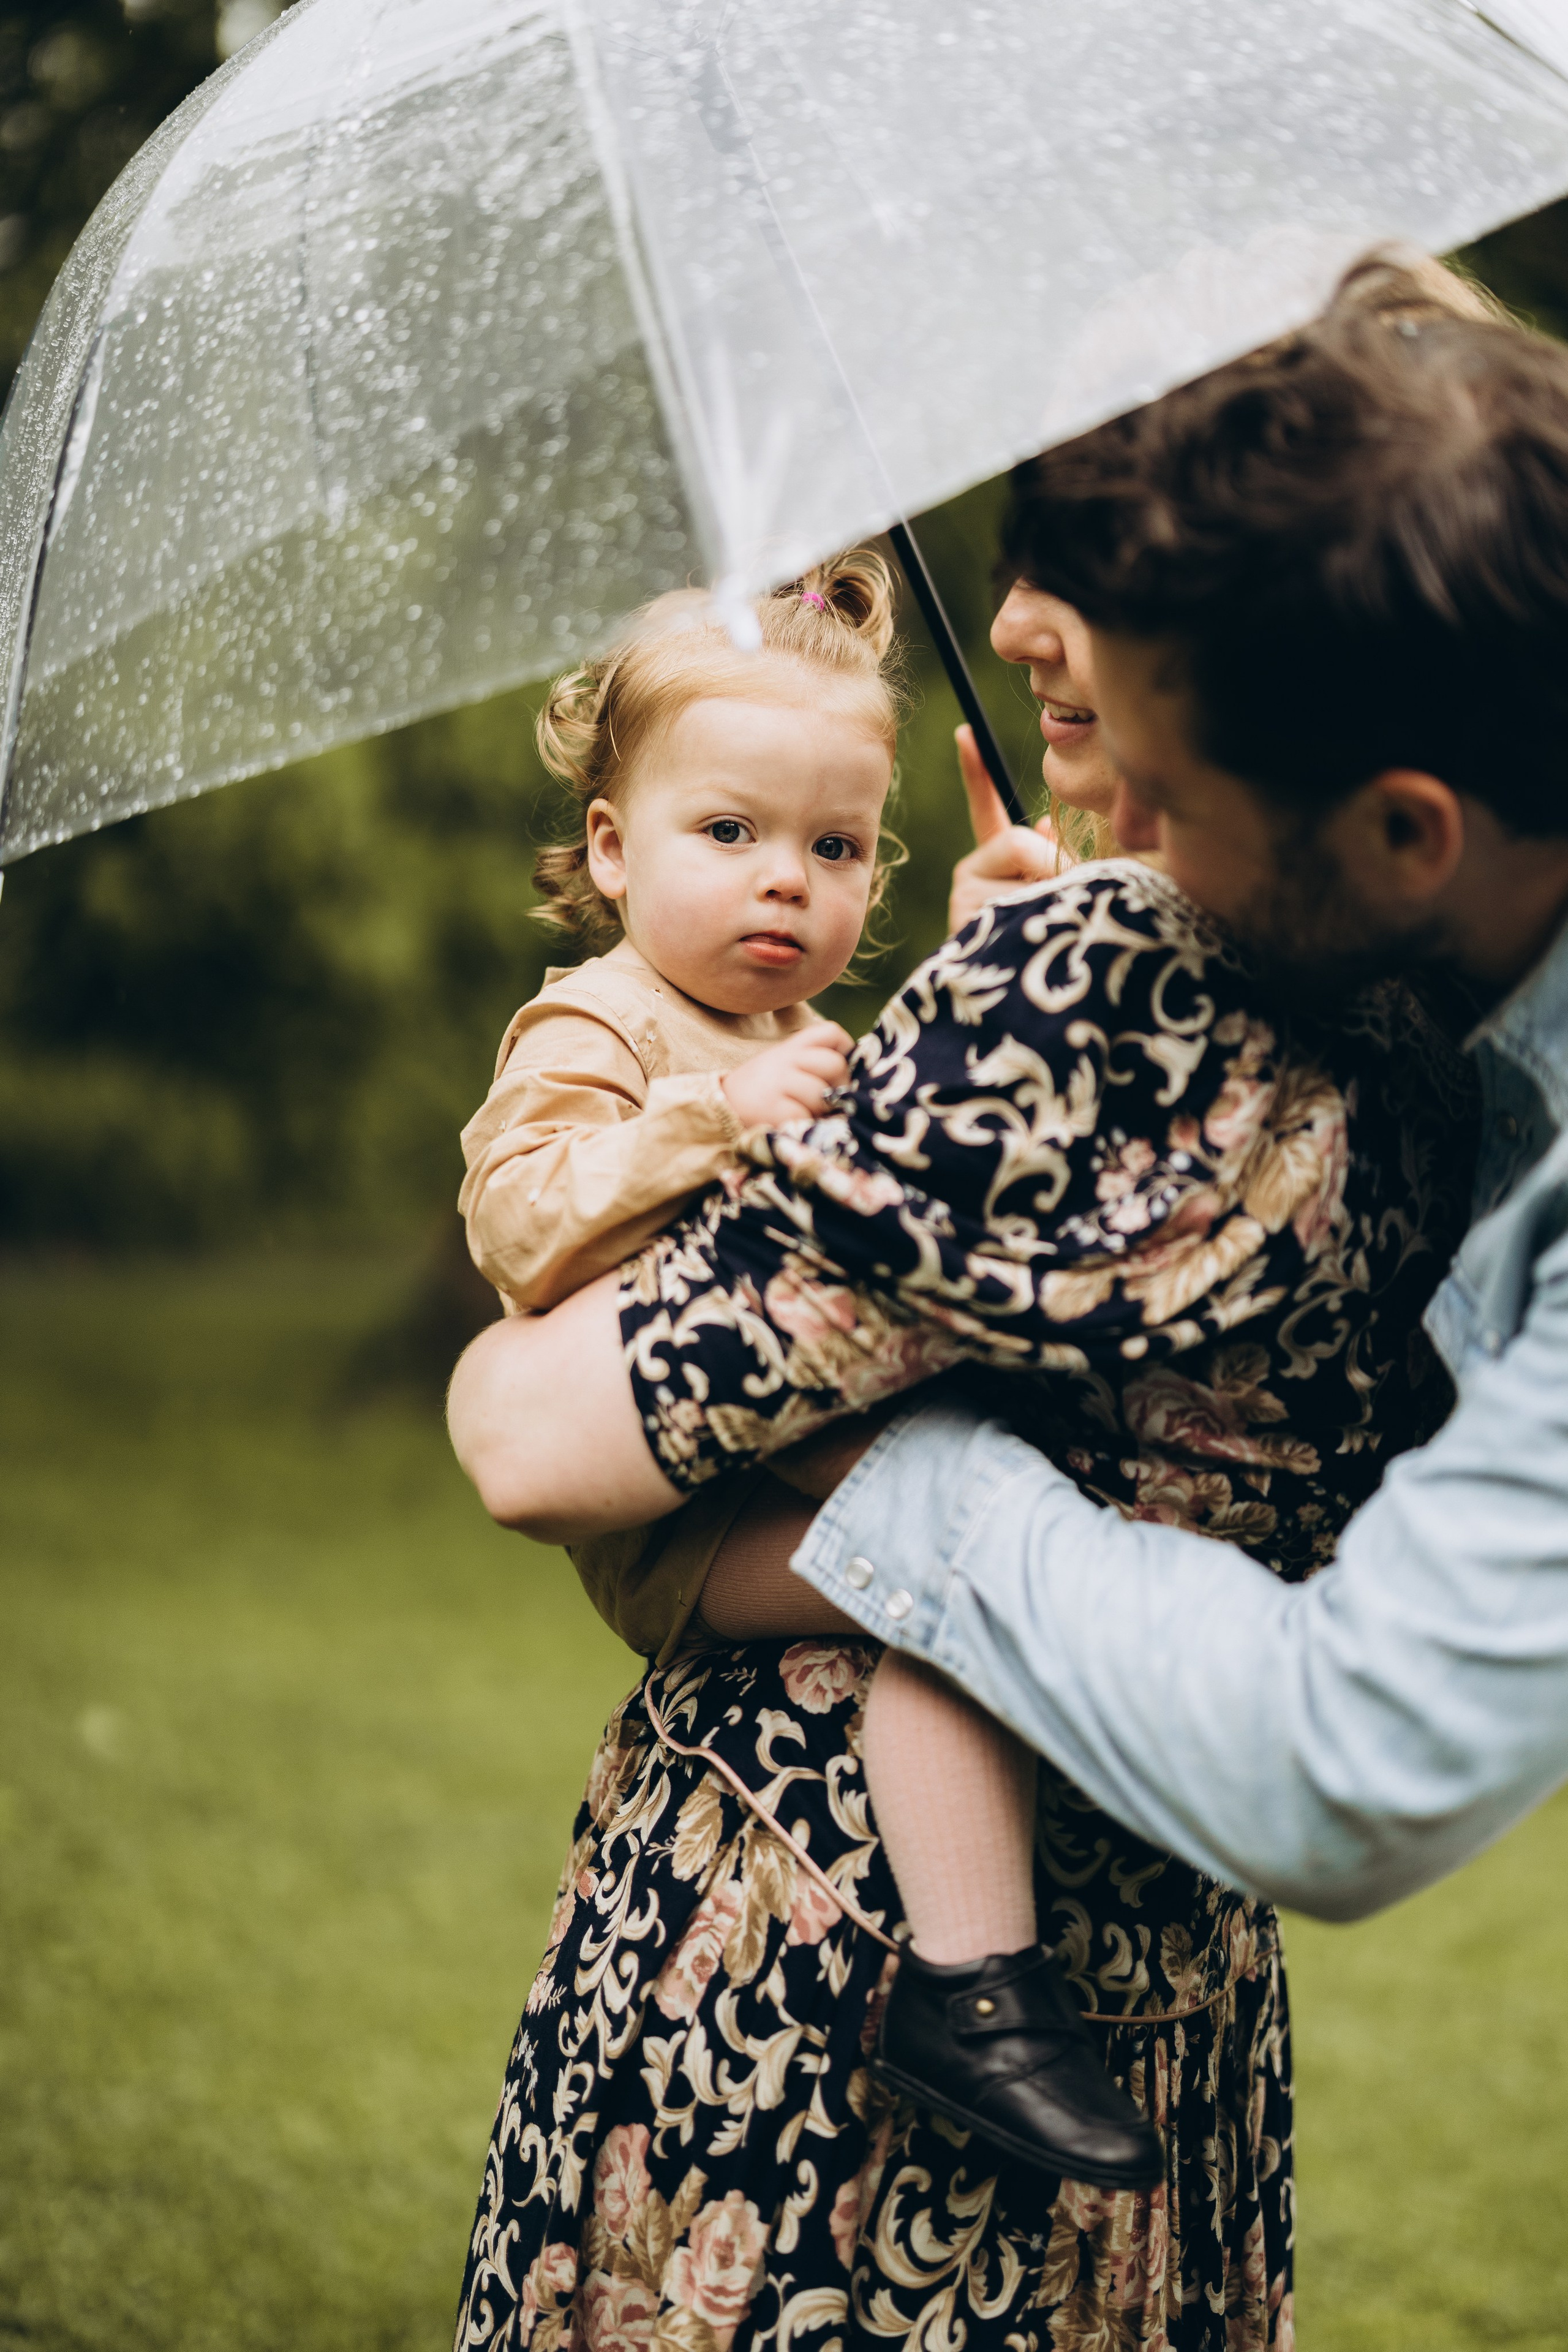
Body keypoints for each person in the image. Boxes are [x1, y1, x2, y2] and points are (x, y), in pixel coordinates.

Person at [448, 256, 1493, 2351]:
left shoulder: (1096, 1011)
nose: (1016, 625)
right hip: (1171, 1965)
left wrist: (1026, 977)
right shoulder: (1441, 1028)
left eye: (1090, 561)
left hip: (799, 1971)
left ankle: (971, 1976)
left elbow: (526, 1432)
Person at [456, 550, 1160, 2194]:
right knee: (954, 1576)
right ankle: (977, 1988)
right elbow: (519, 1221)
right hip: (687, 1516)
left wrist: (996, 957)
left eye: (836, 847)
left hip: (791, 1441)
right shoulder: (601, 1026)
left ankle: (997, 1953)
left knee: (982, 1549)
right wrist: (703, 1121)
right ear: (615, 850)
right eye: (732, 834)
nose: (790, 884)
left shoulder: (804, 1042)